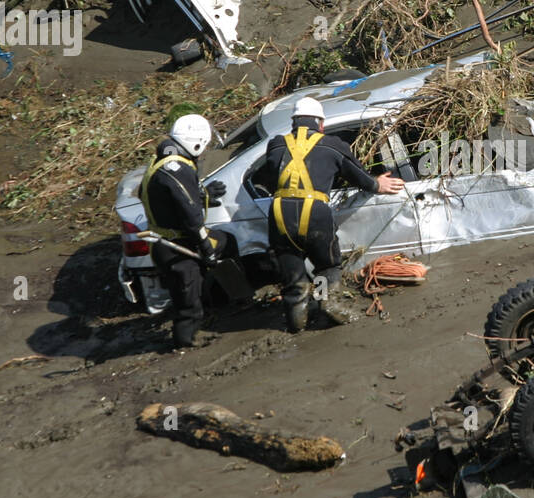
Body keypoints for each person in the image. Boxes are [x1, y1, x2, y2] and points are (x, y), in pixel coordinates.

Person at [253, 96, 405, 332]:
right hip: (314, 212)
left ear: (294, 123)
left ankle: (296, 324)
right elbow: (360, 177)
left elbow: (270, 175)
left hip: (280, 213)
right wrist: (377, 185)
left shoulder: (276, 144)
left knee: (293, 277)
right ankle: (327, 302)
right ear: (320, 124)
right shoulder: (333, 145)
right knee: (326, 266)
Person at [139, 113, 232, 348]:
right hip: (177, 247)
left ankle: (217, 303)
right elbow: (192, 219)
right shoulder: (176, 169)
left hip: (165, 242)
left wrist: (201, 194)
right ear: (195, 143)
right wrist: (205, 247)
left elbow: (168, 197)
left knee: (226, 243)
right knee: (187, 303)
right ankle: (186, 343)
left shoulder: (160, 161)